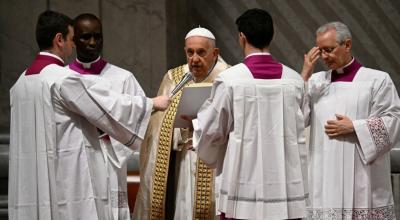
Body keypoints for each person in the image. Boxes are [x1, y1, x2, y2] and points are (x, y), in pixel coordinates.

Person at [8, 10, 170, 220]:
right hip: (67, 177)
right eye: (71, 38)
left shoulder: (21, 82)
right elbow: (104, 106)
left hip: (33, 180)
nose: (73, 44)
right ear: (59, 40)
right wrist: (151, 103)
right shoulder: (62, 78)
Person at [192, 8, 308, 220]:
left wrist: (196, 128)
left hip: (243, 185)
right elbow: (304, 119)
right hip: (285, 188)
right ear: (272, 36)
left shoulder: (230, 80)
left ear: (242, 37)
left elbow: (211, 130)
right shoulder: (295, 80)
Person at [302, 21, 400, 219]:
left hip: (362, 176)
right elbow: (296, 119)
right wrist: (304, 75)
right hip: (325, 172)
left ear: (347, 45)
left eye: (329, 50)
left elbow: (393, 121)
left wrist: (355, 127)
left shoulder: (377, 80)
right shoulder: (315, 83)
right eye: (320, 51)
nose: (324, 57)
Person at [133, 27, 229, 220]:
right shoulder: (174, 77)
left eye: (201, 52)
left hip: (217, 162)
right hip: (184, 159)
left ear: (215, 53)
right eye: (190, 52)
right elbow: (157, 125)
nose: (194, 58)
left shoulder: (228, 78)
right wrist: (177, 133)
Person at [68, 13, 145, 220]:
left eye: (97, 36)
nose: (93, 42)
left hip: (109, 161)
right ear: (73, 40)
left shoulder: (123, 78)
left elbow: (141, 120)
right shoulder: (62, 79)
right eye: (85, 37)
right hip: (74, 163)